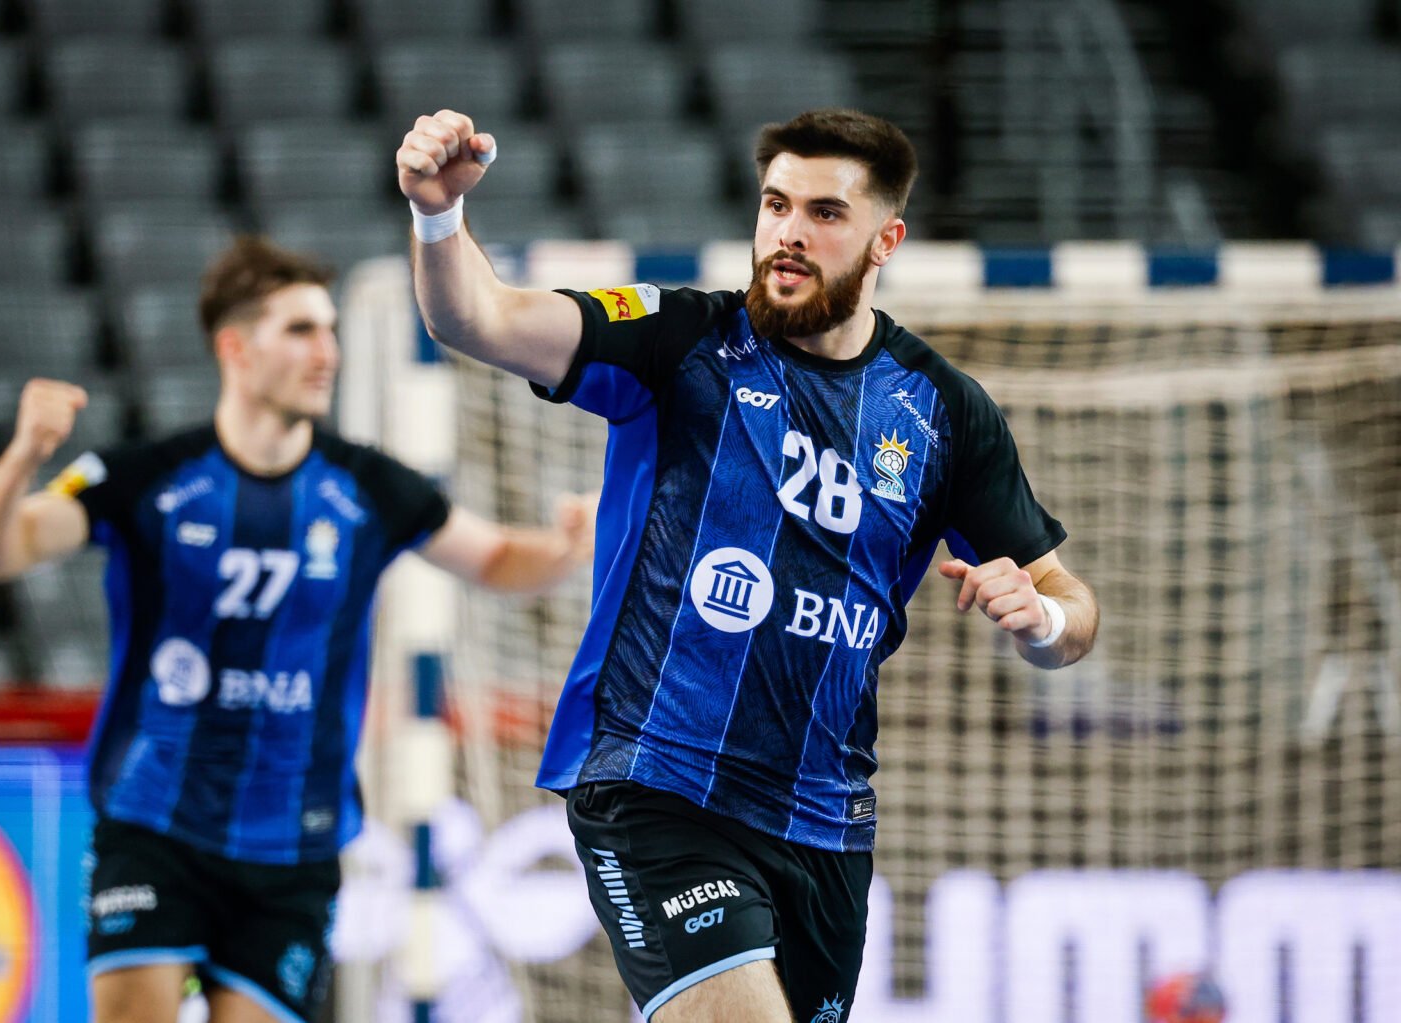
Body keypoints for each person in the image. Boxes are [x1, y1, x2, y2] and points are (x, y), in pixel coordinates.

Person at [397, 108, 1099, 1022]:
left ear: (887, 238)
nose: (789, 234)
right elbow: (476, 318)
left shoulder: (944, 412)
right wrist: (438, 217)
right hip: (658, 784)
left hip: (824, 821)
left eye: (824, 213)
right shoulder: (681, 340)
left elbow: (1071, 611)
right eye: (775, 205)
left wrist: (1040, 618)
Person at [0, 237, 595, 1023]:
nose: (328, 351)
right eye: (300, 331)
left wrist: (570, 547)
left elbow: (494, 557)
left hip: (296, 848)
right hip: (156, 823)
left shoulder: (366, 486)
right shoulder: (149, 478)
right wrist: (24, 455)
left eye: (329, 329)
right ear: (236, 348)